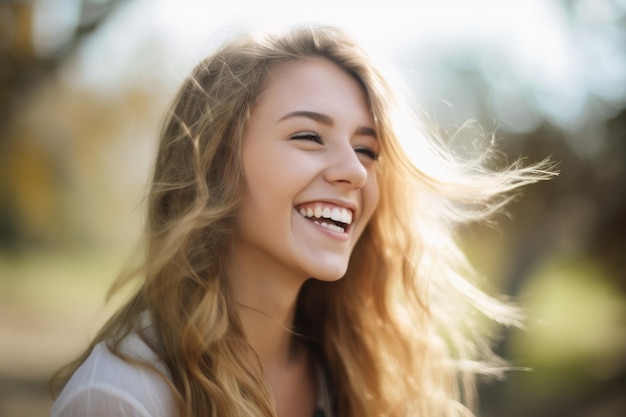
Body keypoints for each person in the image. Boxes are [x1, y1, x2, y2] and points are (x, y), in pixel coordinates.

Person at [50, 25, 555, 417]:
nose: (355, 172)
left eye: (366, 149)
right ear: (214, 163)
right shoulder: (121, 397)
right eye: (309, 137)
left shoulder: (364, 376)